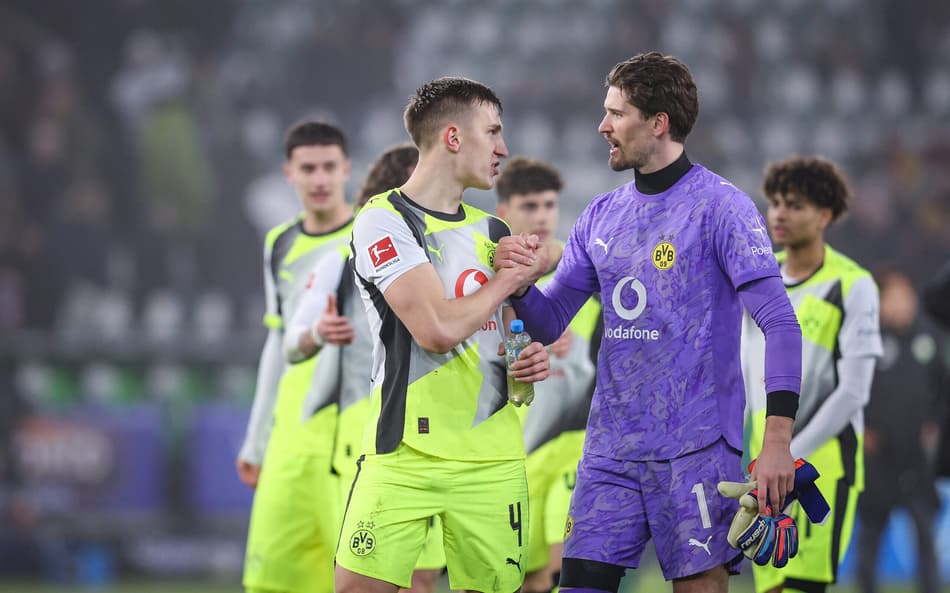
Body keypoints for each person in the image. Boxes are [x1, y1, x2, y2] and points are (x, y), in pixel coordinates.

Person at [495, 52, 801, 593]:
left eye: (616, 114)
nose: (603, 126)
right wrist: (518, 284)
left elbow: (780, 323)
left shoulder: (723, 208)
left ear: (658, 123)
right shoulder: (600, 215)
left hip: (698, 449)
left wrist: (777, 441)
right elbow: (548, 321)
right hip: (609, 451)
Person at [334, 76, 551, 593]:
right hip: (403, 453)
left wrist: (526, 363)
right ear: (453, 137)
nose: (503, 149)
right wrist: (508, 280)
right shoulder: (384, 220)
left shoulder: (494, 232)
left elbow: (511, 341)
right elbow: (435, 330)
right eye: (493, 132)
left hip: (492, 460)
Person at [284, 144, 447, 593]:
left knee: (422, 577)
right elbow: (291, 343)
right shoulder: (342, 258)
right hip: (368, 431)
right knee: (375, 577)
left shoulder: (449, 254)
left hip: (436, 433)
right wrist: (317, 332)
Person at [740, 156, 883, 593]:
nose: (779, 214)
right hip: (763, 465)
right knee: (771, 588)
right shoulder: (756, 279)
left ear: (825, 215)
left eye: (795, 205)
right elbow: (744, 375)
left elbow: (853, 392)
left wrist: (786, 454)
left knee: (803, 587)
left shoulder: (853, 284)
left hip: (822, 464)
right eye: (775, 203)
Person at [237, 121, 356, 593]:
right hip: (290, 435)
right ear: (289, 173)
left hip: (353, 436)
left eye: (329, 166)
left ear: (347, 169)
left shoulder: (370, 237)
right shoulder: (280, 243)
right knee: (272, 580)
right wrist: (255, 440)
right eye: (308, 168)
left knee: (359, 582)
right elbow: (277, 341)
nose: (320, 179)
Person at [494, 157, 600, 593]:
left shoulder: (583, 278)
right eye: (529, 206)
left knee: (565, 570)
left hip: (576, 449)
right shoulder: (490, 280)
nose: (541, 216)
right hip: (516, 451)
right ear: (503, 211)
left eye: (549, 205)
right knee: (527, 579)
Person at [857, 268, 944, 593]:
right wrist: (862, 428)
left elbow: (942, 390)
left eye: (907, 296)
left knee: (925, 534)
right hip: (878, 457)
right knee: (871, 535)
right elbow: (849, 389)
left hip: (916, 458)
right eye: (895, 296)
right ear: (879, 301)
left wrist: (934, 426)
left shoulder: (928, 338)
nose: (904, 303)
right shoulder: (866, 340)